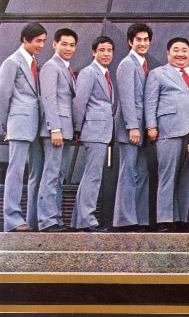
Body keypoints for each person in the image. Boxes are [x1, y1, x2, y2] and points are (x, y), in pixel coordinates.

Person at [144, 37, 189, 232]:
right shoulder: (158, 74)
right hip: (169, 129)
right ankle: (164, 219)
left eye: (184, 50)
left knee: (187, 175)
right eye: (176, 50)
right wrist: (151, 126)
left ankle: (181, 218)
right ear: (168, 53)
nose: (180, 54)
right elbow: (150, 102)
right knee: (167, 174)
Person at [0, 22, 47, 232]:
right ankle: (12, 220)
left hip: (36, 124)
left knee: (37, 171)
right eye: (38, 41)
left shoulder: (34, 61)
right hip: (19, 123)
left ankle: (33, 219)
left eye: (44, 41)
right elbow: (3, 95)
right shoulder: (12, 62)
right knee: (16, 171)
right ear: (25, 40)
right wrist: (4, 125)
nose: (41, 45)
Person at [71, 36, 116, 232]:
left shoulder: (105, 73)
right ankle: (87, 220)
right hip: (94, 130)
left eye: (109, 50)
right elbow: (79, 102)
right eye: (102, 50)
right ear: (93, 52)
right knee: (93, 177)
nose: (106, 54)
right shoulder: (89, 72)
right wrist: (77, 128)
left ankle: (80, 220)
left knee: (91, 176)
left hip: (101, 131)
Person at [38, 28, 78, 232]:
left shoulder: (66, 68)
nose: (68, 48)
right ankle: (47, 220)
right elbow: (49, 99)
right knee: (51, 174)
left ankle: (57, 218)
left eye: (72, 45)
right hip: (56, 130)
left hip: (66, 130)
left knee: (59, 175)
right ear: (54, 45)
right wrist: (54, 128)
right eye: (64, 44)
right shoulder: (51, 66)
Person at [113, 23, 152, 232]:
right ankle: (125, 220)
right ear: (130, 42)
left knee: (141, 173)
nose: (143, 43)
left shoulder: (143, 64)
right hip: (132, 129)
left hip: (142, 129)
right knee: (128, 173)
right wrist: (133, 127)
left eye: (146, 40)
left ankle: (140, 219)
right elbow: (127, 98)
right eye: (139, 40)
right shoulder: (127, 64)